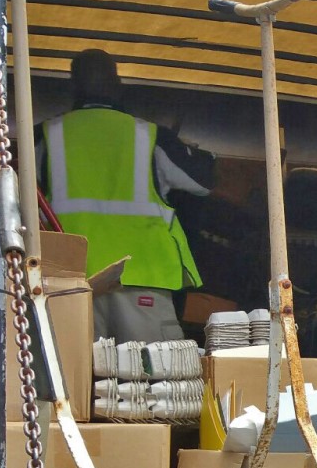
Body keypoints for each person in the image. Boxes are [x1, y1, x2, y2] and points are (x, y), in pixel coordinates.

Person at [36, 49, 215, 342]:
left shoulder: (43, 136)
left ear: (73, 87)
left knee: (74, 380)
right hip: (142, 280)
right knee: (152, 380)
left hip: (69, 283)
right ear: (118, 86)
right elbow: (203, 184)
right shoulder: (152, 137)